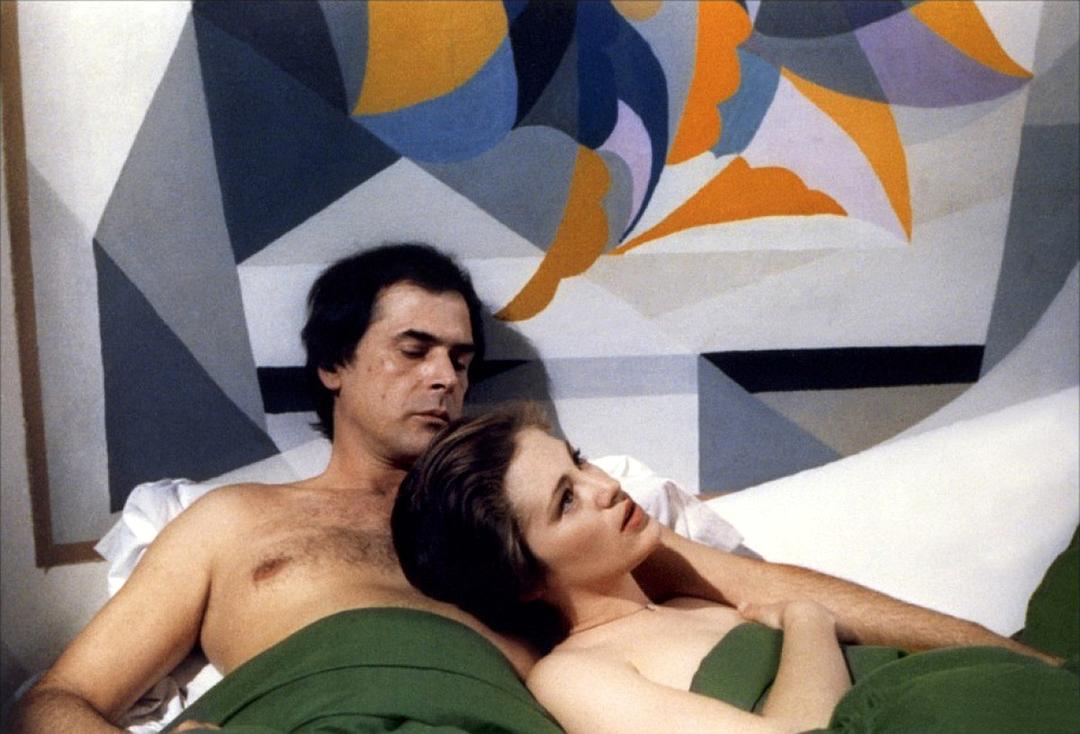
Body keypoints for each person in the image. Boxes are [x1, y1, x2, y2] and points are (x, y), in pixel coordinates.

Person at [9, 244, 1053, 733]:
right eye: (413, 349)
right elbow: (60, 700)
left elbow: (766, 586)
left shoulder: (527, 529)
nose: (443, 377)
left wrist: (997, 645)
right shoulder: (235, 521)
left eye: (460, 358)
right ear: (332, 364)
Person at [391, 407, 1080, 734]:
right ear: (521, 578)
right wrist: (808, 625)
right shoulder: (574, 674)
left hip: (984, 688)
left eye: (579, 460)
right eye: (566, 500)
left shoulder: (680, 593)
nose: (606, 485)